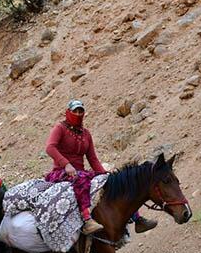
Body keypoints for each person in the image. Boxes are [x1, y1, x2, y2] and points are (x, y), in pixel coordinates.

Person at [44, 100, 157, 235]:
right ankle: (87, 220)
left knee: (115, 182)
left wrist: (104, 174)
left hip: (80, 172)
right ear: (68, 112)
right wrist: (66, 164)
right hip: (62, 171)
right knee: (81, 180)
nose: (78, 114)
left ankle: (137, 218)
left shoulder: (86, 134)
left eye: (80, 111)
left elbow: (92, 158)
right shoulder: (60, 128)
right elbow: (50, 147)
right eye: (75, 111)